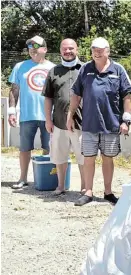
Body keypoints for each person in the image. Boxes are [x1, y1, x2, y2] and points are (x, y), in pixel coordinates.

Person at [68, 37, 131, 206]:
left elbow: (127, 96)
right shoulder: (85, 69)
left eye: (100, 49)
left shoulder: (118, 69)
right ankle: (88, 192)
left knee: (108, 158)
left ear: (108, 51)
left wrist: (126, 120)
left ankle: (108, 192)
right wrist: (70, 115)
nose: (97, 53)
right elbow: (76, 94)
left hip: (111, 123)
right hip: (89, 123)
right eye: (94, 49)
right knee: (88, 158)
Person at [8, 35, 55, 189]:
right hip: (27, 115)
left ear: (45, 49)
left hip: (48, 116)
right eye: (30, 47)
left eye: (37, 47)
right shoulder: (20, 66)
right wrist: (11, 111)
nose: (33, 50)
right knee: (24, 148)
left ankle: (46, 178)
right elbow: (14, 90)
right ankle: (23, 178)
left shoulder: (53, 68)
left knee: (49, 148)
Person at [42, 38, 84, 196]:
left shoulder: (86, 69)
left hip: (82, 122)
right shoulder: (53, 71)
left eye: (71, 48)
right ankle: (61, 186)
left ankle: (84, 188)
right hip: (59, 122)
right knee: (59, 156)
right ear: (60, 51)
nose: (68, 51)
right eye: (65, 49)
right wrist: (48, 119)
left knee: (83, 157)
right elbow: (48, 98)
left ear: (77, 49)